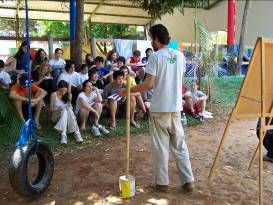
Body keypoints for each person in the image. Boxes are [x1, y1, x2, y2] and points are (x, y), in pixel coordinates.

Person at [119, 24, 194, 193]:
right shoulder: (180, 56)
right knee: (180, 146)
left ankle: (162, 184)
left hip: (160, 108)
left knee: (161, 147)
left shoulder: (155, 57)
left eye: (151, 38)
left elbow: (149, 84)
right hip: (175, 108)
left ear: (156, 39)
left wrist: (128, 90)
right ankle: (188, 181)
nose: (151, 41)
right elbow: (180, 82)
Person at [49, 80, 83, 144]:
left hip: (66, 117)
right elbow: (51, 110)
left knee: (68, 110)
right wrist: (60, 108)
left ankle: (64, 133)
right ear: (58, 88)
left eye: (65, 90)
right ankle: (76, 132)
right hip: (55, 116)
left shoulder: (68, 95)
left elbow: (70, 108)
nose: (63, 92)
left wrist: (69, 106)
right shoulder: (54, 94)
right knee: (64, 110)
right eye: (61, 90)